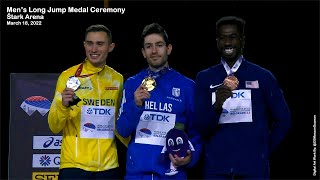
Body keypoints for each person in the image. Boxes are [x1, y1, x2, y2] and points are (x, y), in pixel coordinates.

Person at [194, 16, 291, 179]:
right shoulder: (204, 78)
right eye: (222, 38)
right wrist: (217, 106)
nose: (227, 43)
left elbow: (284, 120)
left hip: (254, 171)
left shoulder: (263, 77)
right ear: (217, 41)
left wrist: (263, 151)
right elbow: (200, 127)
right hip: (216, 171)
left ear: (242, 40)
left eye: (232, 37)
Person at [116, 23, 202, 179]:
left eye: (159, 45)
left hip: (172, 174)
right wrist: (136, 105)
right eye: (148, 46)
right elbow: (122, 130)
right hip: (137, 174)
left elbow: (196, 131)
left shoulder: (187, 86)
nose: (154, 51)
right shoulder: (132, 83)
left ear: (168, 49)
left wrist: (191, 157)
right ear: (143, 52)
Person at [48, 24, 129, 179]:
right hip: (74, 165)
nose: (94, 49)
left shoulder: (117, 79)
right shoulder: (68, 77)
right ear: (84, 45)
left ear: (110, 47)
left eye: (100, 44)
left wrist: (137, 148)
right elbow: (54, 126)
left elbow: (119, 124)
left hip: (108, 166)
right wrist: (63, 106)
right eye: (90, 43)